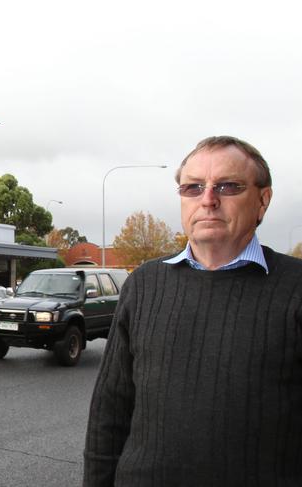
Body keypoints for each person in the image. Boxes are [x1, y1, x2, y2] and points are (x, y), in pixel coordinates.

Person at [83, 136, 302, 486]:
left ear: (263, 200)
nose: (208, 200)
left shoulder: (295, 289)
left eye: (228, 186)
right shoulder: (143, 285)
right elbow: (109, 413)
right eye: (193, 187)